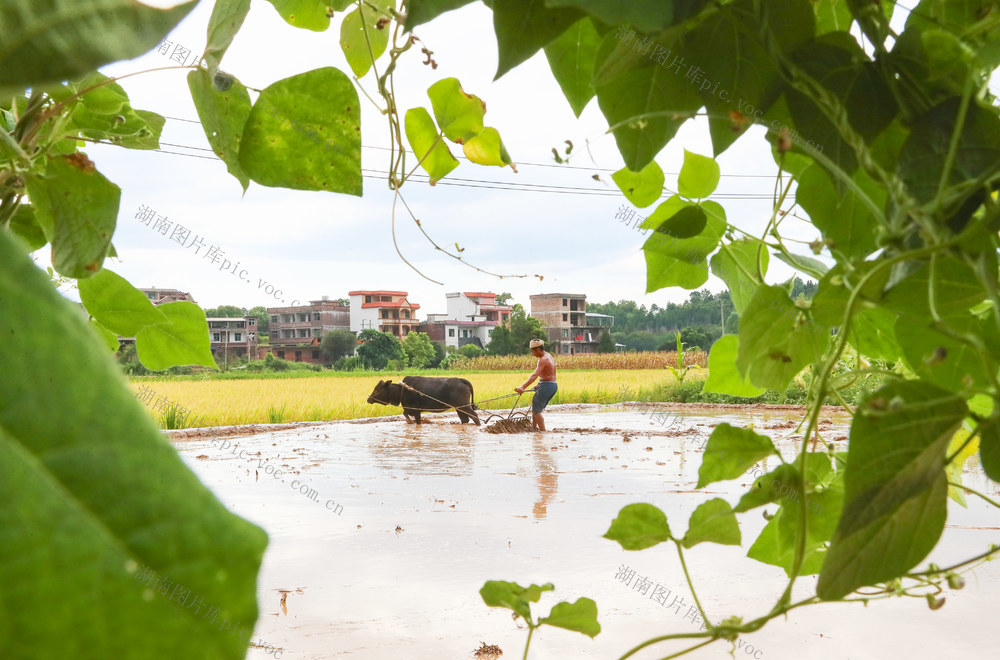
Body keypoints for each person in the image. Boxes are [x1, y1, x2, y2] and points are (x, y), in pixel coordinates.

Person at [515, 339, 557, 432]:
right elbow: (548, 373)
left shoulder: (543, 359)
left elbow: (534, 375)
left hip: (547, 386)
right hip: (551, 385)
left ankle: (542, 432)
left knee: (537, 411)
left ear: (538, 349)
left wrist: (522, 387)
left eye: (532, 351)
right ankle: (534, 429)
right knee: (535, 406)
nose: (532, 353)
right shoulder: (548, 355)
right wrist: (540, 383)